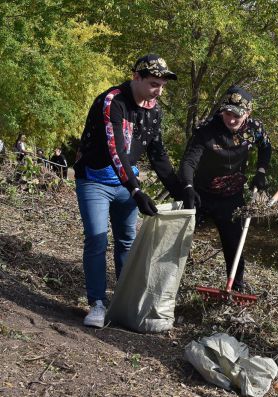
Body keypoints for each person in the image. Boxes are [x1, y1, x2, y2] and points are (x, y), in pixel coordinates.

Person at [73, 54, 182, 328]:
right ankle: (97, 303)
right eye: (153, 83)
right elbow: (116, 151)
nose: (158, 90)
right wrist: (136, 192)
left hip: (126, 182)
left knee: (127, 242)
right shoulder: (113, 101)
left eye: (162, 85)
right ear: (137, 77)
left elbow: (158, 155)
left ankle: (125, 301)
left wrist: (181, 188)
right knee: (97, 239)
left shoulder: (154, 110)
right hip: (96, 179)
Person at [178, 86, 272, 293]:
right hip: (202, 194)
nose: (230, 120)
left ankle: (236, 286)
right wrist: (188, 186)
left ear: (247, 113)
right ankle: (169, 279)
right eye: (227, 113)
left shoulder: (255, 128)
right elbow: (188, 162)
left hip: (232, 196)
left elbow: (266, 147)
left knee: (234, 242)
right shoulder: (206, 129)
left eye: (237, 116)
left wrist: (261, 171)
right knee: (180, 238)